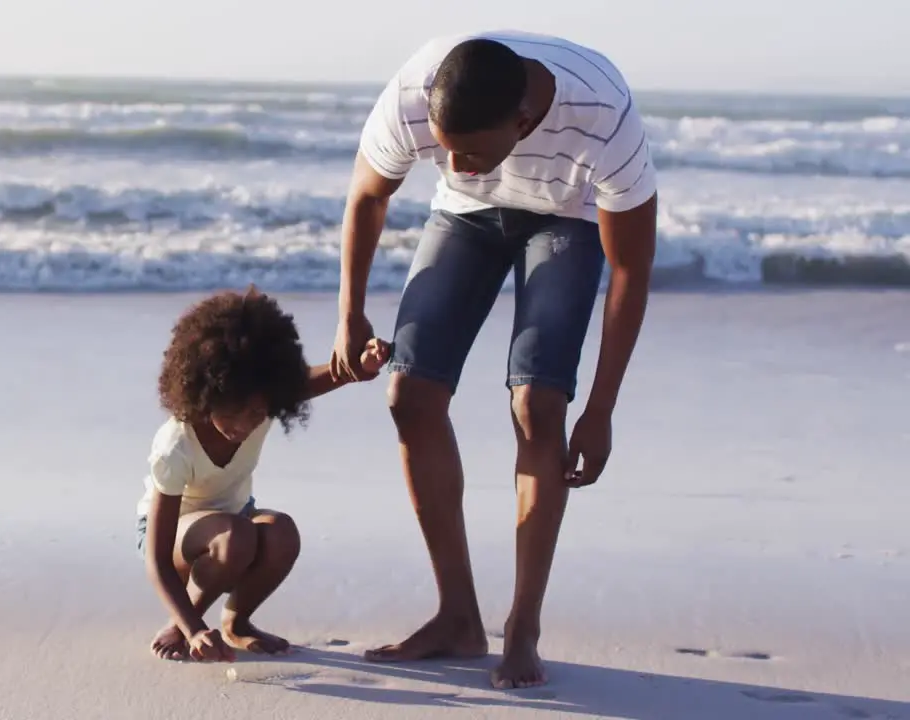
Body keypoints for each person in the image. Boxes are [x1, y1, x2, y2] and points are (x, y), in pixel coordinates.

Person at [329, 31, 658, 689]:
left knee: (539, 403)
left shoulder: (602, 110)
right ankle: (456, 615)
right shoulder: (413, 97)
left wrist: (599, 409)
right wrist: (350, 315)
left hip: (567, 221)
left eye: (473, 151)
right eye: (447, 152)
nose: (456, 163)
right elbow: (369, 196)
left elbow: (631, 267)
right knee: (409, 394)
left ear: (524, 121)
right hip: (466, 222)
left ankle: (524, 627)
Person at [139, 287, 389, 662]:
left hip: (235, 520)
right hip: (175, 537)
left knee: (281, 532)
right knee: (235, 536)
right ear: (209, 391)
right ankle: (185, 623)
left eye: (258, 413)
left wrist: (359, 369)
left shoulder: (260, 399)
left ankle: (237, 623)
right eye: (237, 411)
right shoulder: (176, 445)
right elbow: (157, 560)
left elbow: (316, 379)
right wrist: (191, 629)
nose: (246, 424)